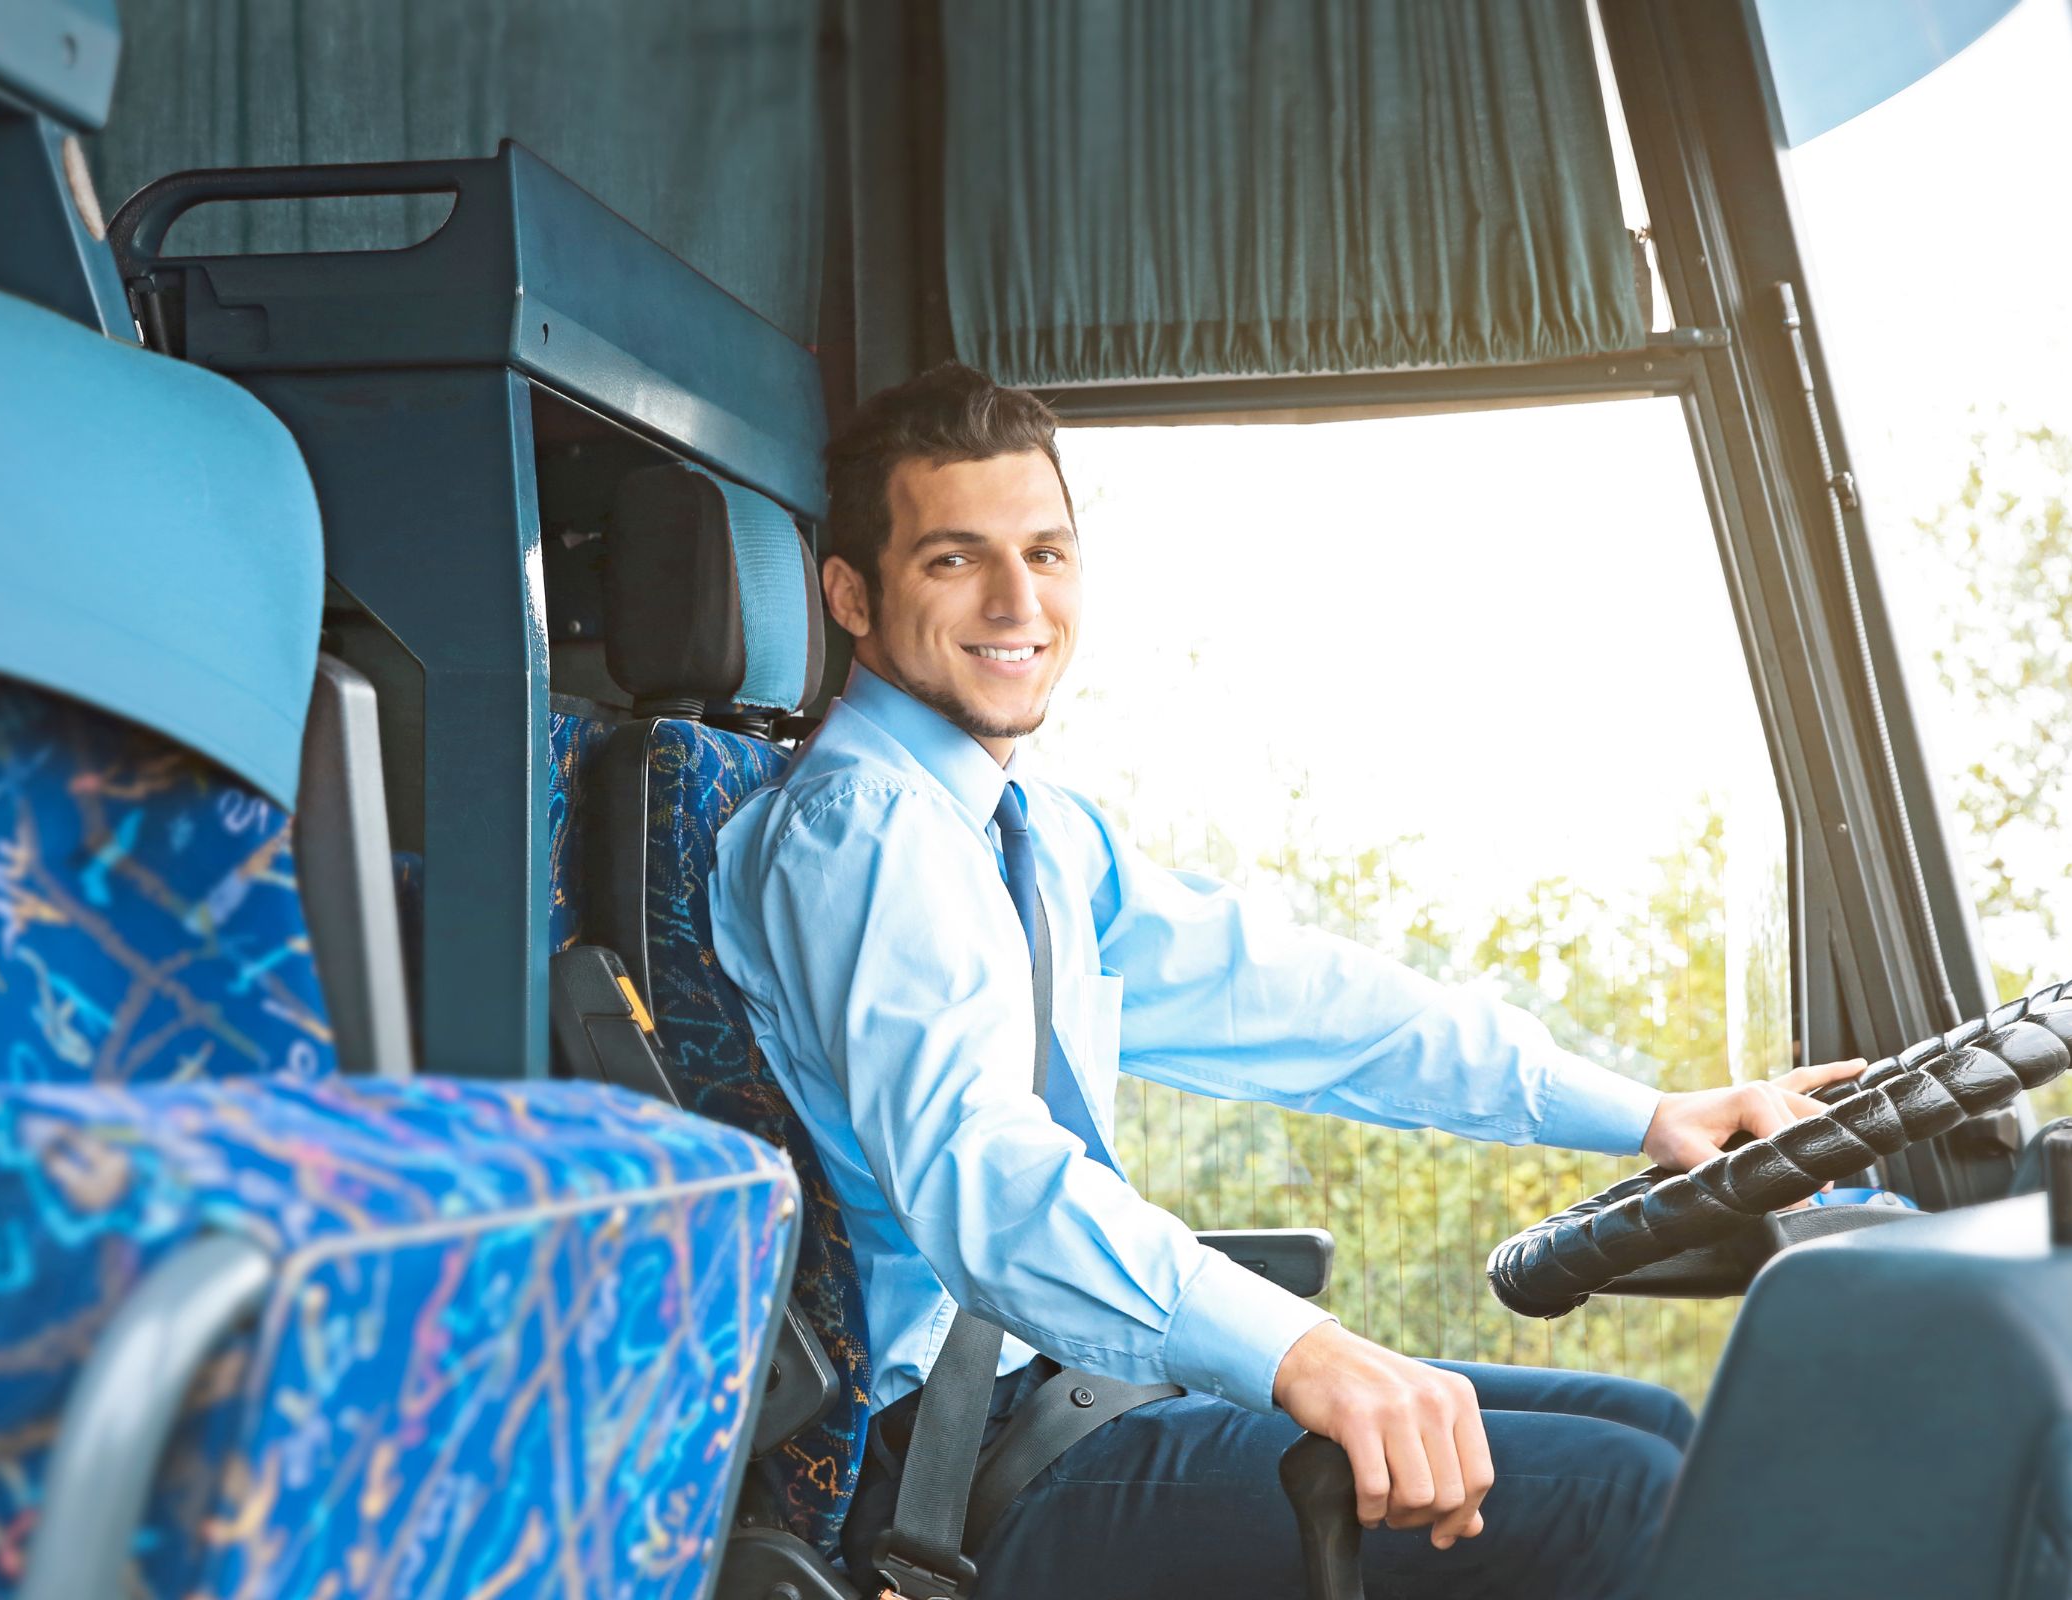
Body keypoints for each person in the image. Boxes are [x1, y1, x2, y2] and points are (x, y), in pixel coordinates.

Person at [711, 363, 1862, 1599]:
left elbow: (1303, 1008)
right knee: (1629, 1502)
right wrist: (1300, 1349)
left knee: (1650, 1431)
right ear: (850, 595)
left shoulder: (1018, 825)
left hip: (1069, 1384)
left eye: (1047, 553)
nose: (1017, 599)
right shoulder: (863, 835)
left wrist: (1642, 1112)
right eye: (955, 559)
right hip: (960, 1468)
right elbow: (985, 1181)